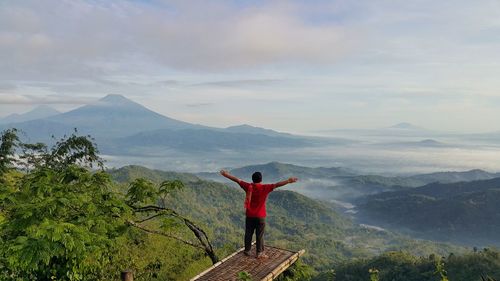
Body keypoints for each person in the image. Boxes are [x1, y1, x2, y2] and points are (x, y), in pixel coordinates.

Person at [220, 169, 298, 259]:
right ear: (261, 180)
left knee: (248, 233)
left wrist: (226, 175)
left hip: (249, 215)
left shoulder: (248, 186)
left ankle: (247, 250)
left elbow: (237, 180)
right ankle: (259, 253)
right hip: (260, 216)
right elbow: (277, 184)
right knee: (259, 235)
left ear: (252, 179)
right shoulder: (265, 188)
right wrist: (288, 181)